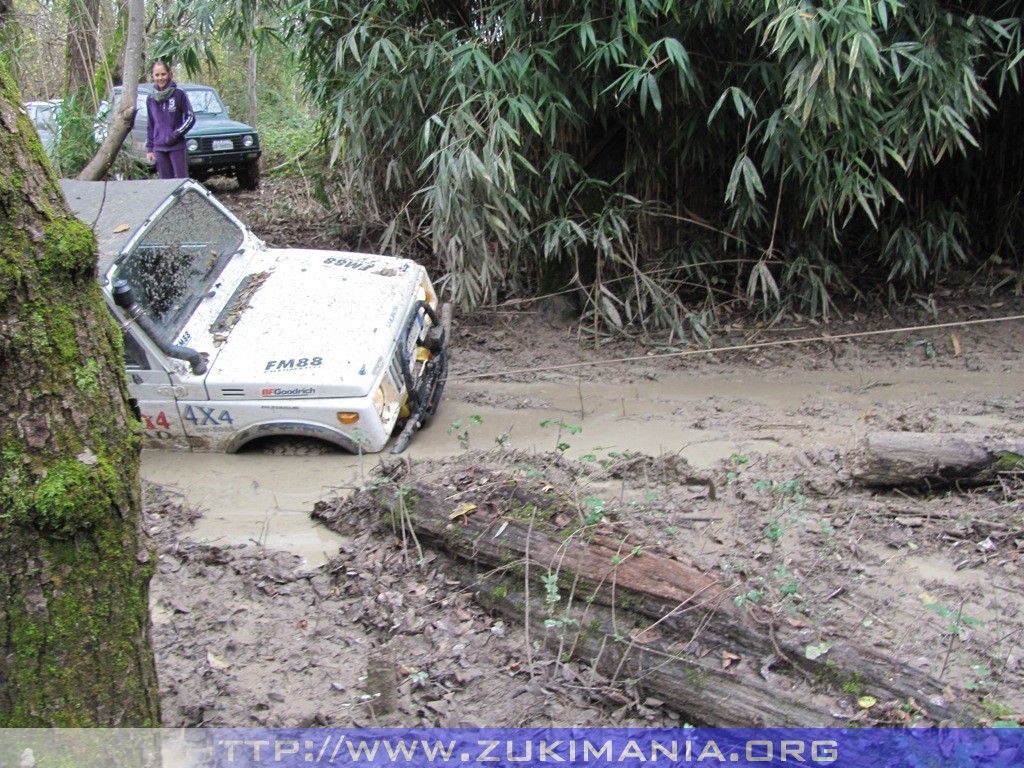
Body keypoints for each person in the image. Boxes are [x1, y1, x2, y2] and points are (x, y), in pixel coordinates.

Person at [145, 61, 195, 179]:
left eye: (163, 74)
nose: (160, 78)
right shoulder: (151, 98)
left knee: (181, 181)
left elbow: (191, 118)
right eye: (157, 75)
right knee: (165, 183)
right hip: (159, 148)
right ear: (153, 76)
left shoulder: (179, 94)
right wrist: (150, 149)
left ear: (169, 74)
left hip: (176, 147)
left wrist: (175, 134)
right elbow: (150, 124)